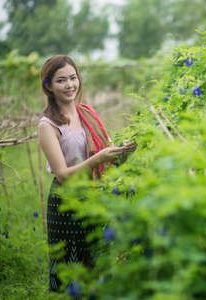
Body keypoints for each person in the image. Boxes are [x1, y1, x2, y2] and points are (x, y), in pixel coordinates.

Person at [37, 54, 136, 293]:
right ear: (48, 85)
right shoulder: (47, 125)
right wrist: (97, 159)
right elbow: (62, 175)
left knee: (96, 264)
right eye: (61, 80)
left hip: (95, 197)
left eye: (73, 78)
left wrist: (124, 152)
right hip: (66, 202)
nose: (70, 85)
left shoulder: (87, 113)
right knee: (73, 273)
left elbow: (106, 152)